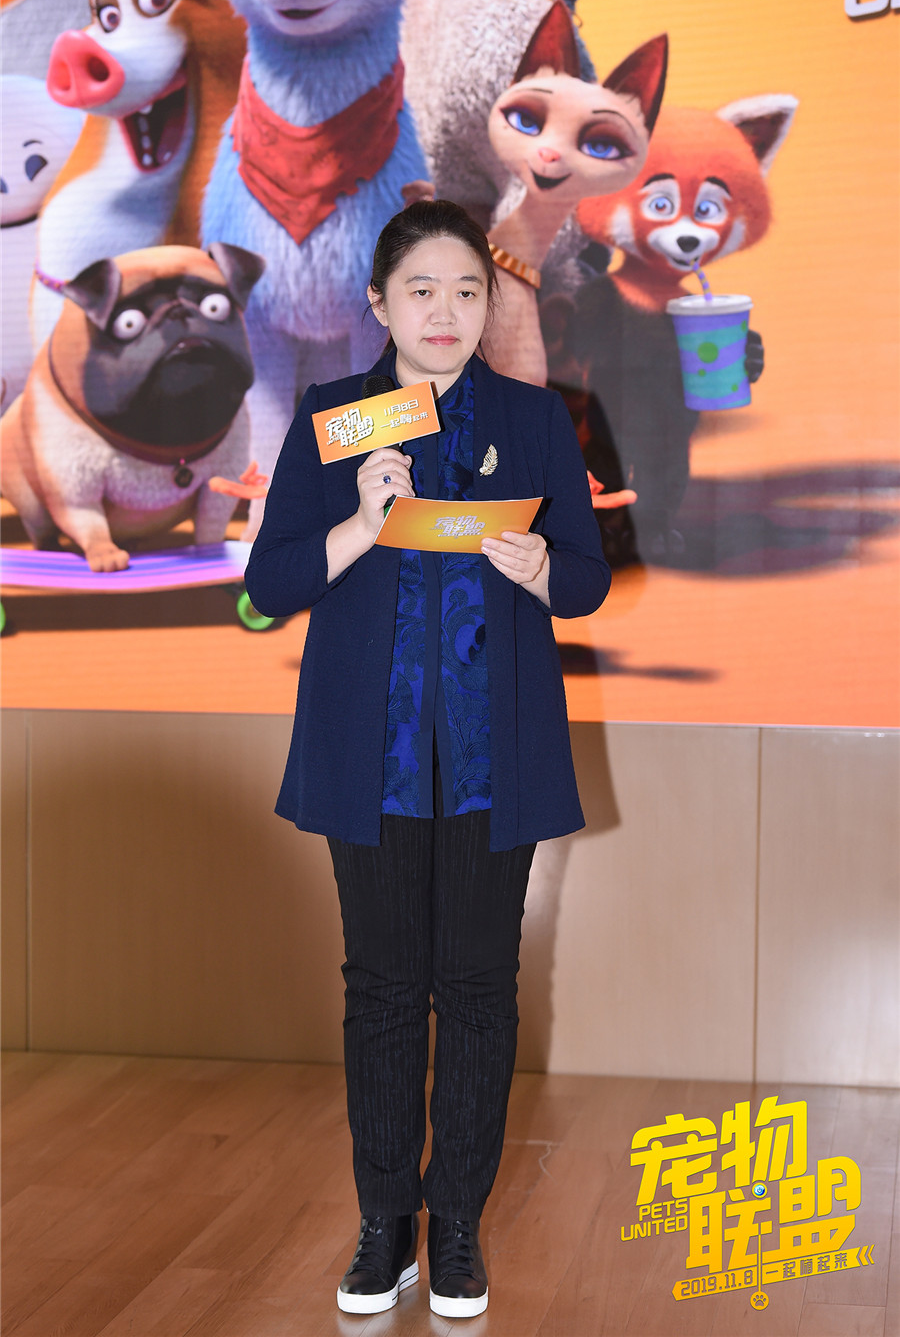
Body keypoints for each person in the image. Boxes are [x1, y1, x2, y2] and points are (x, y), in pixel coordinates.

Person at [244, 200, 610, 1319]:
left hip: (497, 755)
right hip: (374, 758)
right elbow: (268, 586)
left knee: (481, 988)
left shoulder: (533, 418)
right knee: (384, 991)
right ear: (378, 303)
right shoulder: (336, 417)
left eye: (465, 292)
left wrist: (544, 568)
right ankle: (383, 1226)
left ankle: (456, 1227)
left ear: (489, 304)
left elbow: (588, 578)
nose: (444, 312)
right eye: (420, 291)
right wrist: (358, 524)